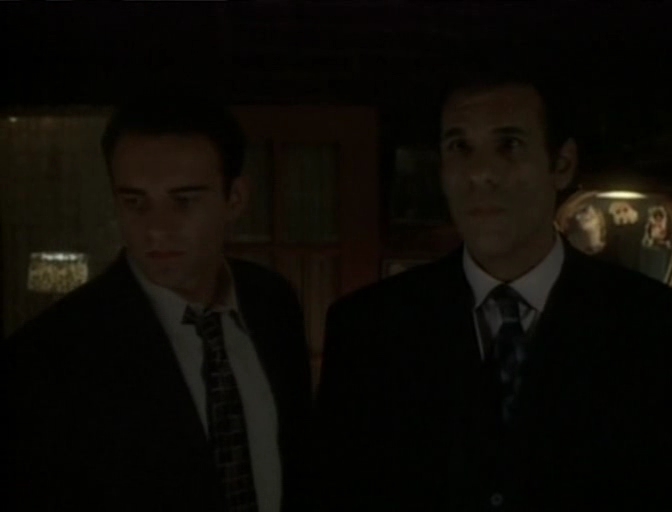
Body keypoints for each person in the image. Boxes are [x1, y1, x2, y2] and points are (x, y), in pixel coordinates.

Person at [315, 62, 672, 511]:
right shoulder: (368, 328)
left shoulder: (651, 325)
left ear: (561, 164)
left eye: (509, 145)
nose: (480, 173)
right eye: (459, 147)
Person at [5, 90, 312, 511]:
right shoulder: (50, 355)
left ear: (235, 198)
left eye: (183, 201)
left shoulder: (273, 303)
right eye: (135, 202)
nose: (156, 229)